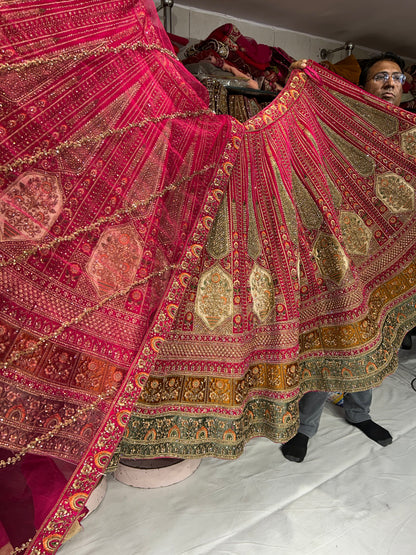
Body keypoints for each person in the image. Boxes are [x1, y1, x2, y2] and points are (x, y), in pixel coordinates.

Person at [282, 52, 406, 463]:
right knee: (335, 332)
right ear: (363, 86)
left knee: (372, 334)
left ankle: (359, 413)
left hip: (387, 255)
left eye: (396, 77)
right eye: (379, 77)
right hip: (340, 248)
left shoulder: (409, 139)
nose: (389, 83)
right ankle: (305, 427)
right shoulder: (344, 128)